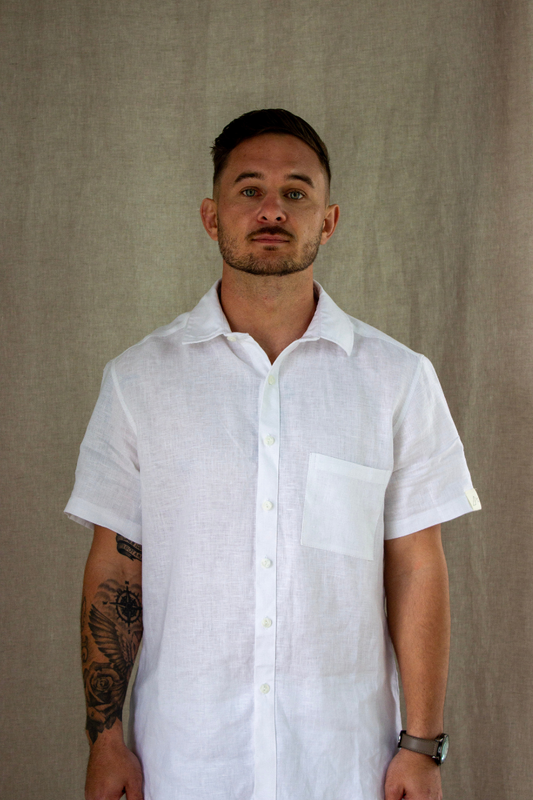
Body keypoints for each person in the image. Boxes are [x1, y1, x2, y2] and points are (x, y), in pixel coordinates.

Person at [65, 108, 481, 800]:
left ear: (329, 219)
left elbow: (415, 565)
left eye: (295, 193)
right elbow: (116, 564)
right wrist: (105, 739)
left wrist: (422, 745)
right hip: (185, 760)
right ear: (210, 215)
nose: (271, 210)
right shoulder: (139, 380)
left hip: (343, 762)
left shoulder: (395, 379)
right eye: (248, 189)